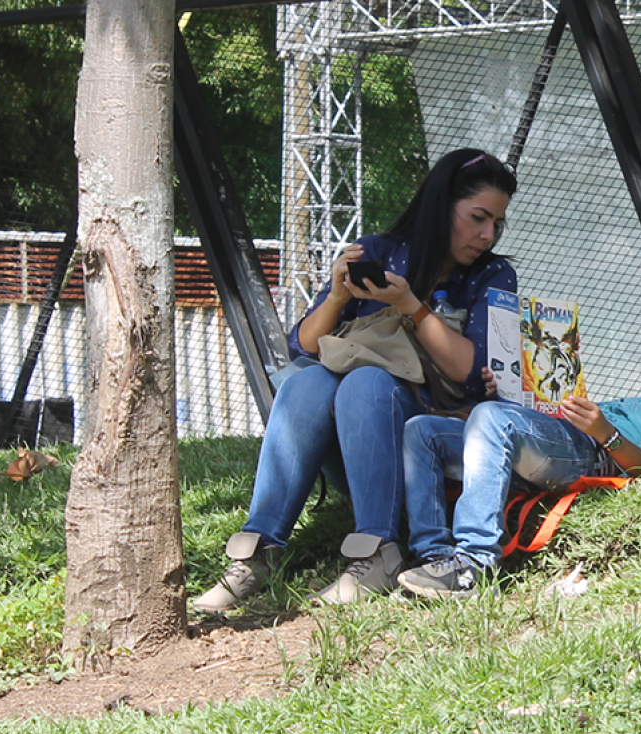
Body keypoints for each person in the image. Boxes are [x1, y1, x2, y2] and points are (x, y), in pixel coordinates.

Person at [194, 149, 519, 611]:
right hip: (353, 427)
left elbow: (473, 373)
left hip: (425, 427)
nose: (487, 235)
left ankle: (377, 550)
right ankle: (259, 551)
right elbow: (303, 346)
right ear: (440, 206)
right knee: (305, 384)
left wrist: (411, 306)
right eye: (478, 218)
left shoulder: (493, 274)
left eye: (496, 224)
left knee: (366, 382)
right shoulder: (381, 252)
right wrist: (339, 293)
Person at [396, 351, 641, 599]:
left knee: (490, 418)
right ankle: (435, 556)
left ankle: (475, 562)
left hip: (590, 452)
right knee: (422, 430)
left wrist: (606, 432)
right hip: (557, 438)